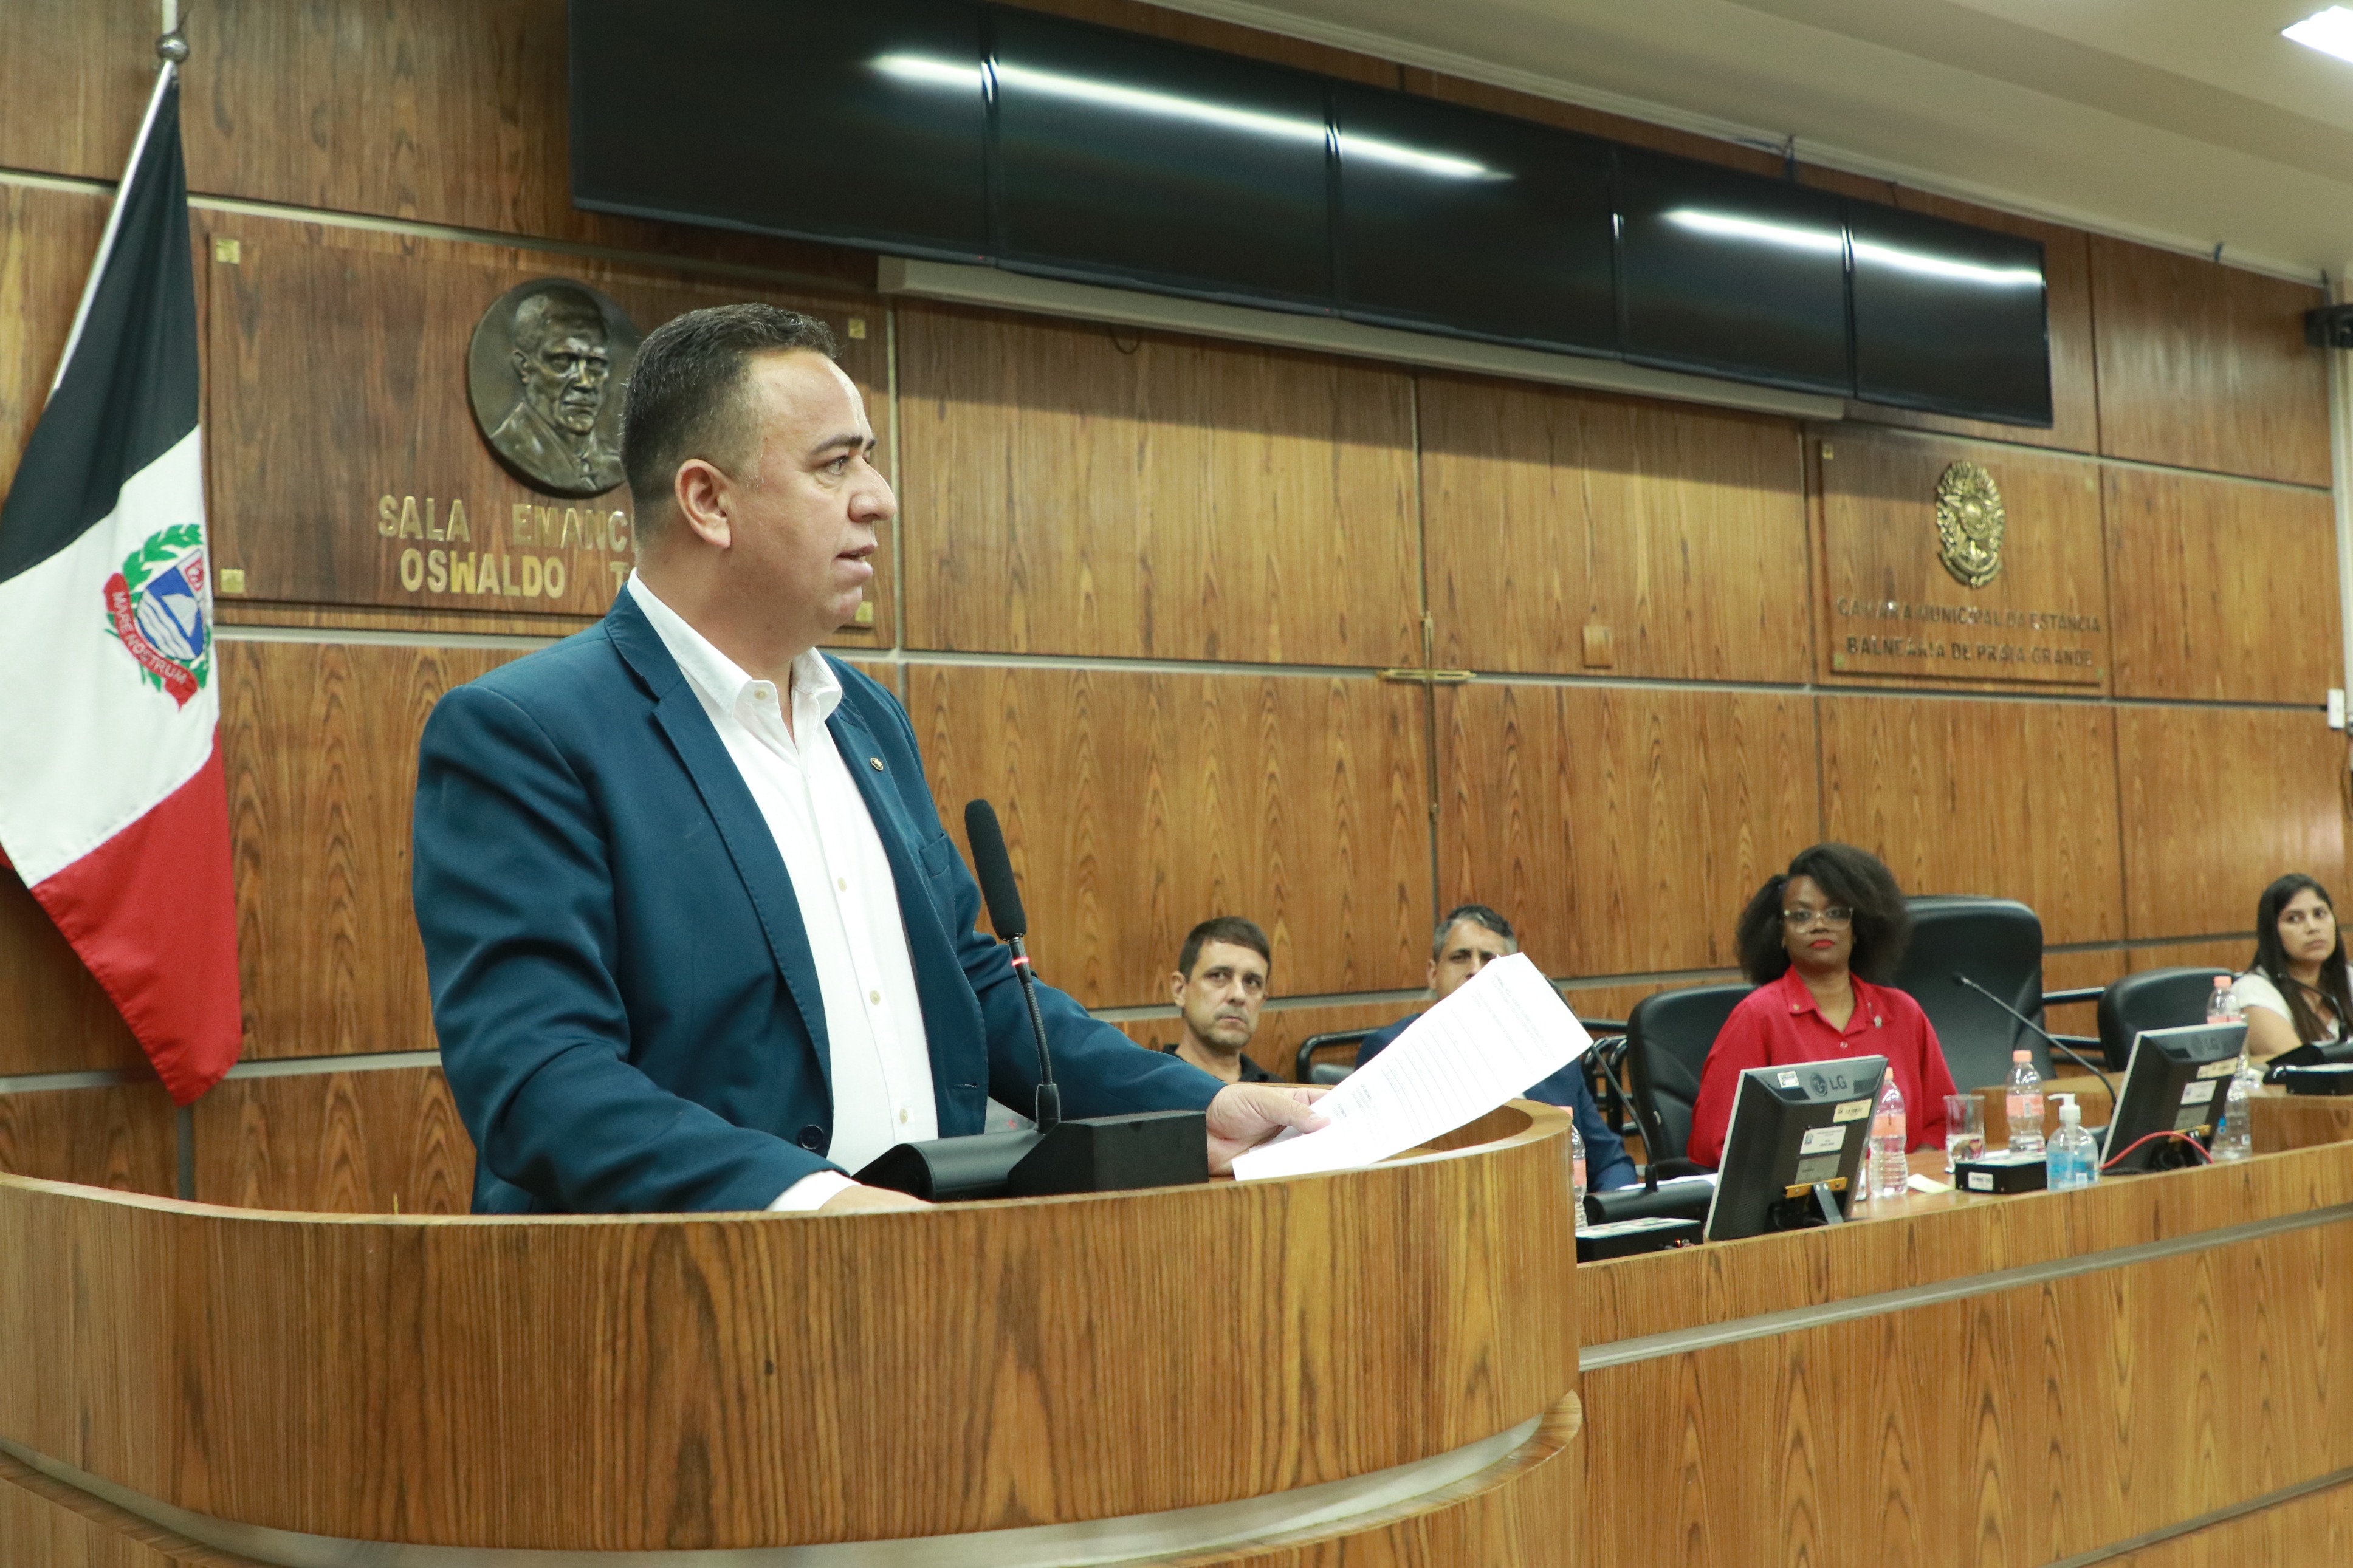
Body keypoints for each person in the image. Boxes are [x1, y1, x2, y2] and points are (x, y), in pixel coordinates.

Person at [413, 304, 1323, 1215]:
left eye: (868, 459)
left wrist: (1196, 1107)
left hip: (926, 1264)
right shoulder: (528, 733)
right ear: (708, 502)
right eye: (835, 464)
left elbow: (971, 985)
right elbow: (540, 1076)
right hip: (698, 1285)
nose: (879, 496)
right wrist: (812, 1201)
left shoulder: (866, 717)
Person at [1688, 843, 1957, 1169]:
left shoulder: (1902, 1013)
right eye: (1802, 915)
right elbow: (1714, 1142)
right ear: (1781, 933)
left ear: (1858, 929)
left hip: (1900, 1193)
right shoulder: (1758, 1017)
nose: (1819, 924)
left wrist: (1907, 1172)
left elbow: (1943, 1121)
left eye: (1836, 913)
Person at [1355, 903, 1636, 1191]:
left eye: (1489, 959)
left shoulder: (1553, 1059)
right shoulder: (1390, 1051)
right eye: (1460, 957)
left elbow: (1611, 1164)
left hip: (1553, 1208)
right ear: (1433, 973)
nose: (1475, 970)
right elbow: (1375, 1175)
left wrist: (1604, 1213)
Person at [486, 287, 628, 496]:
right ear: (524, 367)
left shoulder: (617, 466)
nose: (585, 382)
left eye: (596, 363)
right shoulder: (509, 447)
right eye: (564, 361)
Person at [2232, 874, 2353, 1061]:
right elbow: (2300, 1068)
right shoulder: (2253, 992)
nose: (2313, 927)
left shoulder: (2349, 978)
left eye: (2320, 914)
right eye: (2294, 919)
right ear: (2272, 932)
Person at [1163, 917, 1280, 1084]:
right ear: (1180, 990)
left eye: (1252, 982)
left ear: (1262, 1000)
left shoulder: (1280, 1091)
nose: (1239, 995)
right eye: (1218, 976)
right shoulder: (1150, 1091)